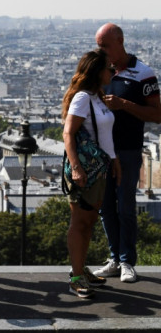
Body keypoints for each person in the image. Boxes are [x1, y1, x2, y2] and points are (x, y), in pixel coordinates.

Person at [94, 23, 161, 283]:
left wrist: (124, 105)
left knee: (126, 206)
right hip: (102, 151)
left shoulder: (143, 73)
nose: (101, 51)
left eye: (105, 46)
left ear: (120, 41)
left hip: (127, 150)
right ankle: (115, 258)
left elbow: (157, 114)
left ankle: (126, 261)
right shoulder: (101, 72)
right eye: (99, 46)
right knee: (107, 207)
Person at [62, 50, 121, 298]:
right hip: (85, 170)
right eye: (109, 68)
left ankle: (80, 269)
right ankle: (75, 277)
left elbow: (103, 135)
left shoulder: (96, 96)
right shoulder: (83, 98)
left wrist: (114, 160)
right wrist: (76, 167)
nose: (113, 72)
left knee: (88, 222)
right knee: (80, 222)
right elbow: (68, 133)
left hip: (99, 167)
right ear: (97, 72)